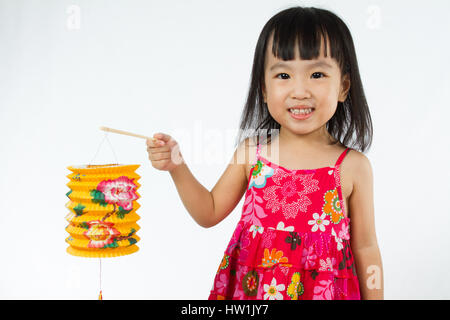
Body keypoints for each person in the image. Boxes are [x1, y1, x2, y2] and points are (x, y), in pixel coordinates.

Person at [146, 6, 383, 300]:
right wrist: (176, 166)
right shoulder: (252, 154)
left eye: (317, 74)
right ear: (264, 89)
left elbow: (365, 248)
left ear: (343, 87)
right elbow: (208, 212)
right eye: (283, 75)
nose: (300, 90)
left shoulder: (353, 166)